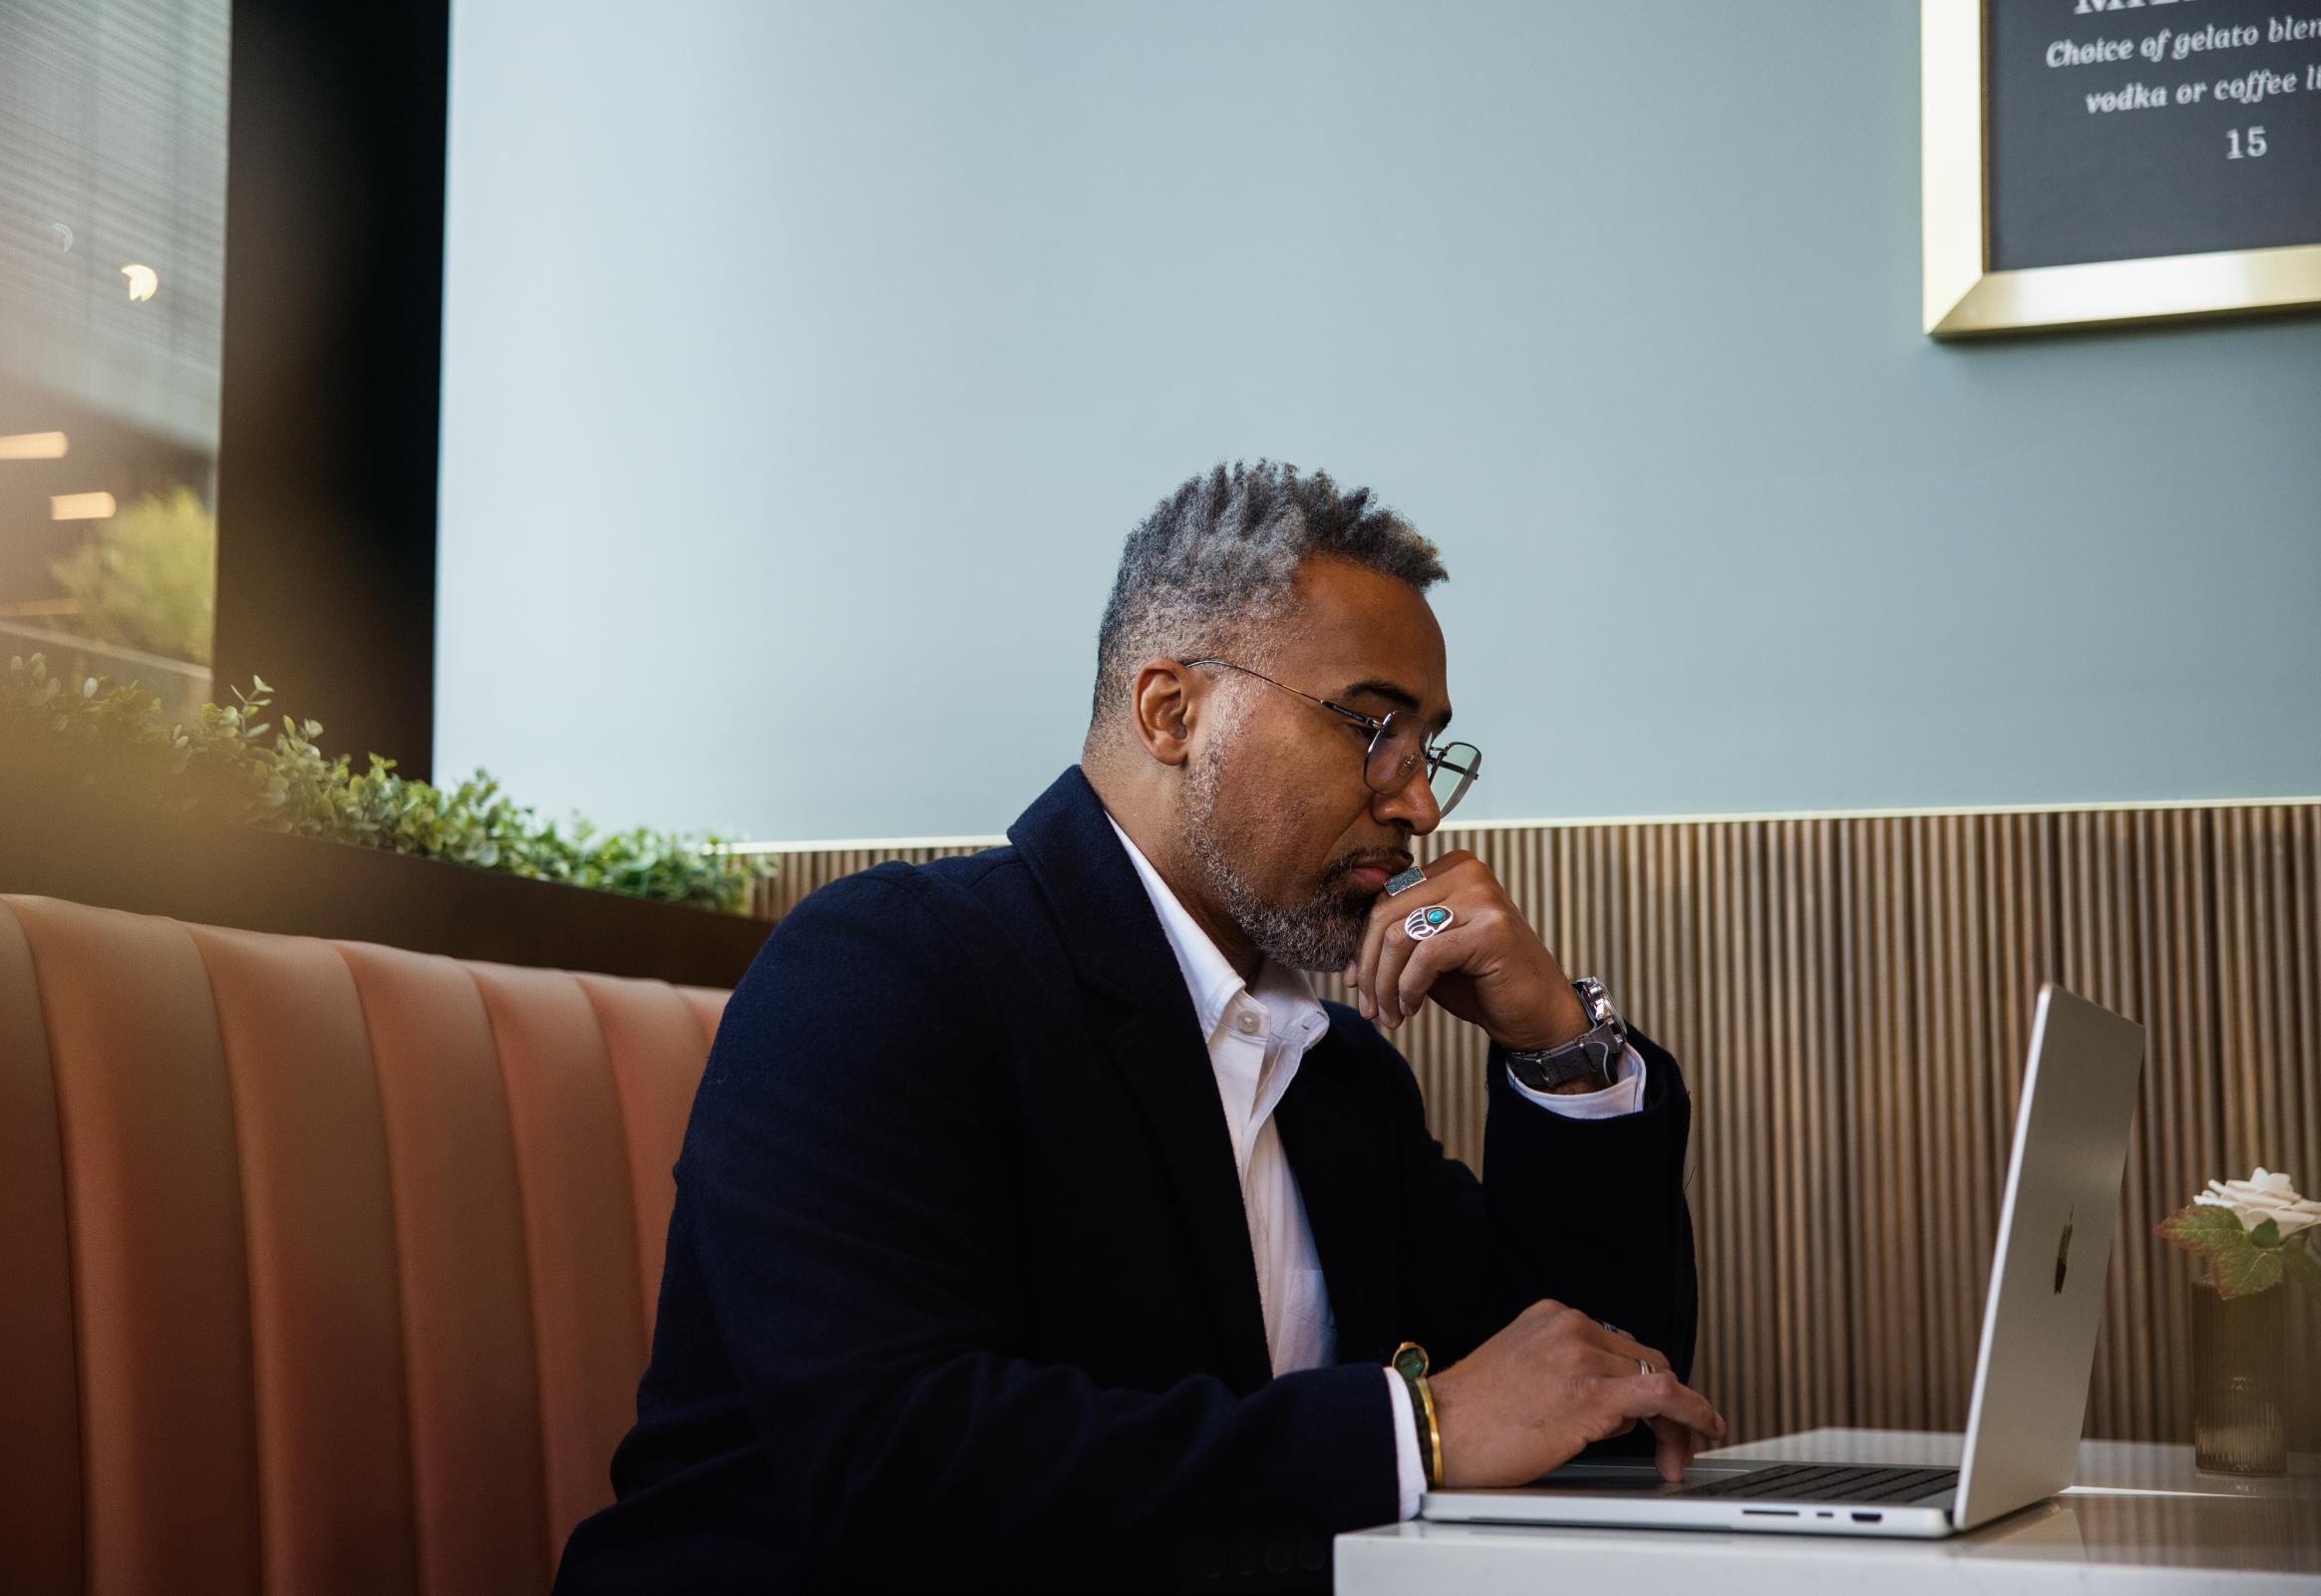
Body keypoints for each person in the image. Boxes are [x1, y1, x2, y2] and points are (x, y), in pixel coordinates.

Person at [553, 462, 1722, 1594]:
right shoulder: (885, 970)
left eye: (1426, 751)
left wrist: (1557, 1045)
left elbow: (1607, 1394)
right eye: (1373, 729)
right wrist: (1416, 1426)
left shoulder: (1332, 1073)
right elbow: (899, 1471)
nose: (1416, 801)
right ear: (1173, 711)